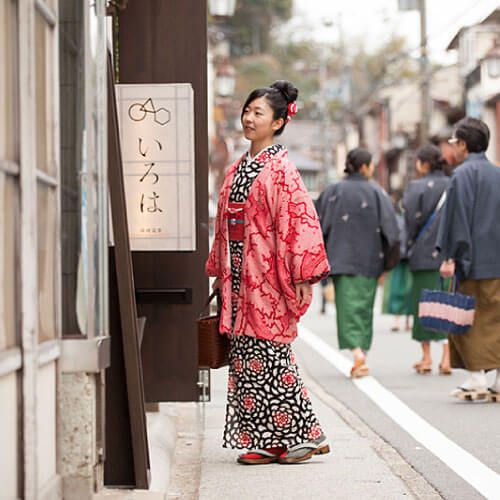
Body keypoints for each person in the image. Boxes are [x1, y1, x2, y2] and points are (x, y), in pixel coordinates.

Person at [206, 80, 331, 465]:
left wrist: (304, 277)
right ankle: (264, 440)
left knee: (272, 356)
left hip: (267, 273)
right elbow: (224, 223)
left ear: (278, 122)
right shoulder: (238, 168)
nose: (248, 117)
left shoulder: (282, 170)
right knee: (246, 357)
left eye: (258, 113)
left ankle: (305, 435)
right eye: (247, 110)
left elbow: (298, 222)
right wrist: (220, 269)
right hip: (239, 275)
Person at [318, 148, 399, 378]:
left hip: (340, 259)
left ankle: (357, 353)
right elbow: (391, 231)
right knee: (364, 307)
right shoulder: (377, 192)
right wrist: (388, 263)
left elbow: (318, 225)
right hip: (371, 259)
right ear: (365, 167)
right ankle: (360, 351)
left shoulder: (333, 191)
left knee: (347, 308)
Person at [437, 117, 500, 401]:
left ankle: (476, 377)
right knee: (496, 319)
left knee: (469, 319)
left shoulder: (462, 175)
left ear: (463, 144)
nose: (453, 148)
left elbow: (457, 220)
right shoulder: (497, 174)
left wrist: (451, 255)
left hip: (473, 261)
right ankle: (497, 380)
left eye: (454, 143)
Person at [403, 144, 451, 375]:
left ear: (423, 163)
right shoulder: (453, 184)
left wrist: (407, 246)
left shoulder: (416, 187)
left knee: (422, 304)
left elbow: (410, 222)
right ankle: (447, 357)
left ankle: (426, 357)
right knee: (447, 303)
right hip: (448, 255)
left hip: (422, 254)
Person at [382, 192, 413, 332]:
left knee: (405, 290)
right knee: (400, 290)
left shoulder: (401, 219)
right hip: (401, 258)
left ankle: (404, 320)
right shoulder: (400, 219)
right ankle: (399, 320)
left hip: (406, 258)